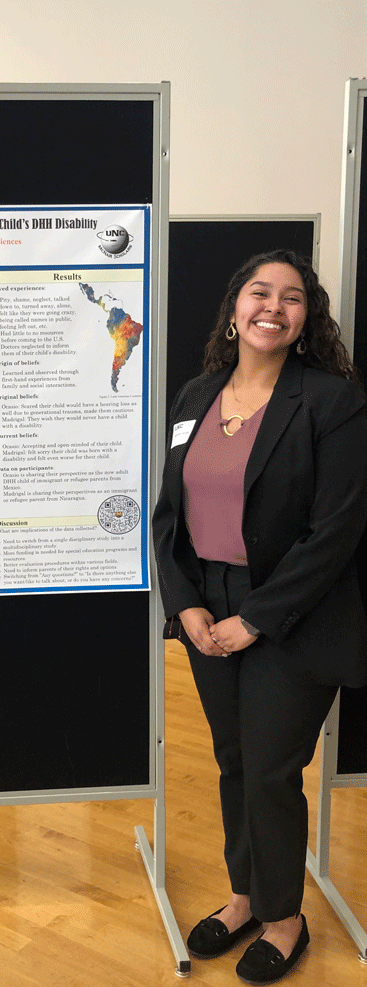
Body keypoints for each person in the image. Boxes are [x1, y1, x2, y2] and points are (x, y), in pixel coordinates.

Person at [152, 249, 367, 985]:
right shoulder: (196, 395)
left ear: (308, 318)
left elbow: (337, 530)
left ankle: (284, 918)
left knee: (271, 768)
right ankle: (245, 895)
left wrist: (257, 619)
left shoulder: (331, 401)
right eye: (259, 292)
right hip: (207, 605)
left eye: (292, 297)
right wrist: (185, 603)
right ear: (235, 308)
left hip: (292, 611)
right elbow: (169, 515)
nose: (273, 306)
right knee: (234, 760)